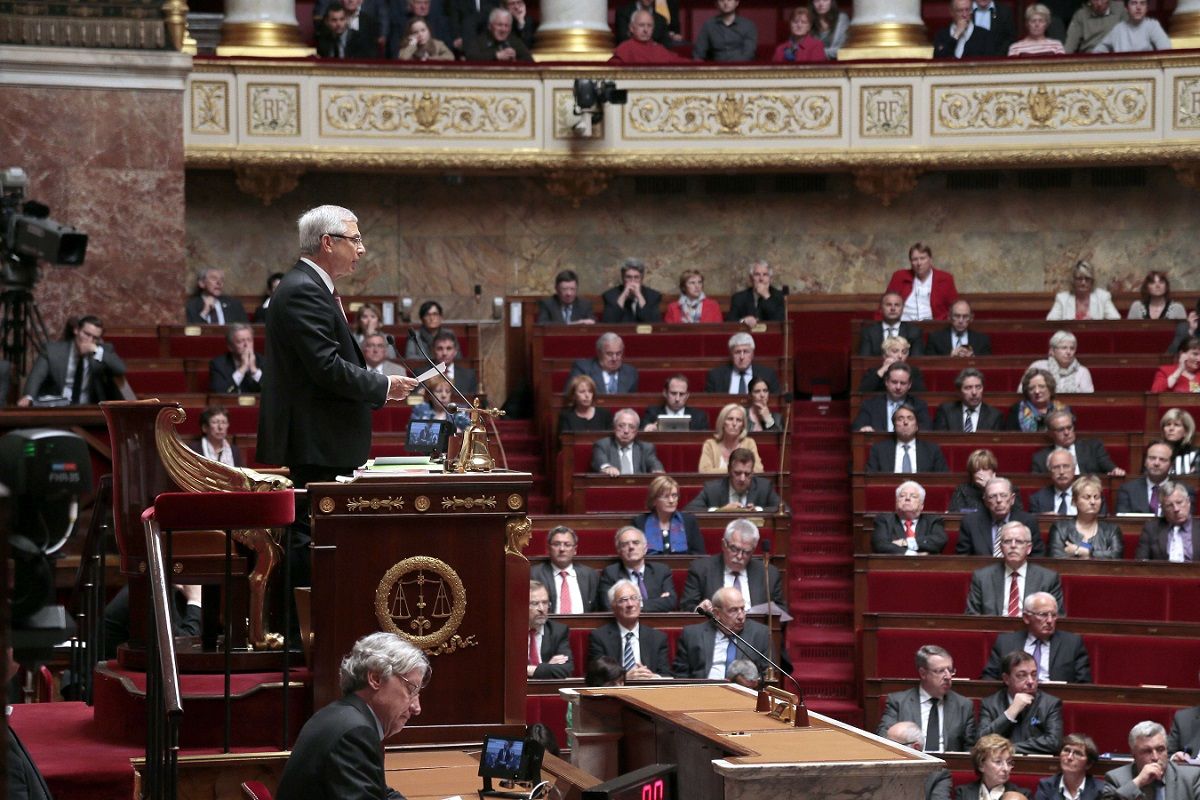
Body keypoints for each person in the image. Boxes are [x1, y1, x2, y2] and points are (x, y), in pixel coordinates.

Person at [256, 205, 418, 597]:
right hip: (317, 440)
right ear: (328, 243)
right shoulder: (303, 291)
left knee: (320, 534)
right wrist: (382, 386)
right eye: (355, 239)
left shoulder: (312, 288)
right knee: (311, 537)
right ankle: (304, 634)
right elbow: (326, 367)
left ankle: (314, 630)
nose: (361, 249)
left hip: (324, 438)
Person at [276, 631, 428, 800]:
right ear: (376, 678)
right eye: (411, 690)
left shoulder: (337, 715)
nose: (417, 708)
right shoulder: (354, 733)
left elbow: (379, 792)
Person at [876, 644, 977, 752]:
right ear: (923, 673)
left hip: (950, 766)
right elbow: (884, 738)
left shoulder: (963, 705)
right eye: (940, 671)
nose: (948, 676)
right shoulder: (898, 702)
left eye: (950, 670)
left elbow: (970, 750)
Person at [981, 593, 1092, 683]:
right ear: (1026, 618)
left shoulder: (1072, 644)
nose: (1049, 621)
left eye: (1053, 615)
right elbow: (989, 679)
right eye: (1043, 614)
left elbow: (1084, 685)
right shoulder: (1005, 643)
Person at [18, 315, 126, 406]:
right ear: (76, 330)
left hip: (87, 407)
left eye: (95, 338)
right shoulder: (52, 350)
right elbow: (37, 376)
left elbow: (120, 369)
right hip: (58, 406)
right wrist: (29, 396)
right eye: (87, 334)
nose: (90, 340)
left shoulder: (102, 351)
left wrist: (96, 350)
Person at [679, 517, 783, 611]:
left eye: (746, 552)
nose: (739, 556)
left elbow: (781, 611)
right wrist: (699, 609)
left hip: (755, 630)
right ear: (723, 545)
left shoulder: (768, 573)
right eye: (734, 549)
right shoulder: (701, 569)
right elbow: (686, 607)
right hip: (715, 629)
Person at [965, 521, 1063, 615]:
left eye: (1019, 541)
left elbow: (1056, 617)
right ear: (1001, 547)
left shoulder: (1048, 579)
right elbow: (972, 616)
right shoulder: (982, 578)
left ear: (1028, 548)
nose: (1013, 546)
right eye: (1007, 541)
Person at [671, 586, 770, 678]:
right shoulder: (692, 635)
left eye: (742, 609)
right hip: (703, 692)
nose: (741, 616)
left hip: (744, 694)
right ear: (716, 613)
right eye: (733, 610)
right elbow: (680, 676)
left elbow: (768, 675)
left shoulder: (760, 634)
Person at [978, 650, 1064, 755]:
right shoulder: (990, 704)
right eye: (1021, 675)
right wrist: (1010, 713)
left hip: (1034, 767)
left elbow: (1054, 742)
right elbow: (981, 741)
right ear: (1006, 679)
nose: (1031, 681)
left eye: (1034, 674)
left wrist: (1008, 748)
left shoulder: (1050, 704)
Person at [588, 579, 671, 678]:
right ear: (613, 607)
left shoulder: (657, 638)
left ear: (640, 603)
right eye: (623, 600)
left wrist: (652, 677)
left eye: (634, 598)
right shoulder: (600, 637)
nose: (630, 604)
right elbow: (597, 676)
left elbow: (666, 675)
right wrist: (624, 678)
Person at [1103, 721, 1200, 799]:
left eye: (1160, 749)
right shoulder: (1116, 778)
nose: (1155, 757)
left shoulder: (1191, 778)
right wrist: (1138, 782)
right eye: (1147, 751)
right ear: (1133, 754)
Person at [597, 526, 678, 612]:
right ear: (619, 551)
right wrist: (658, 602)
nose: (631, 547)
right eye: (625, 544)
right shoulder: (610, 573)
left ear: (645, 548)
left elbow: (670, 602)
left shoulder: (661, 571)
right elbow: (609, 606)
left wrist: (634, 604)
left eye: (636, 543)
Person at [957, 477, 1042, 556]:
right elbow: (963, 560)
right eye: (992, 496)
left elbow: (1037, 557)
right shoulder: (971, 522)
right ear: (985, 501)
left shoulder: (1028, 522)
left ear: (1012, 499)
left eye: (1003, 495)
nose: (998, 500)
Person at [1031, 409, 1124, 476]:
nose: (1067, 433)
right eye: (1060, 430)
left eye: (1069, 427)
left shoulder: (1093, 448)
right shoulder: (1040, 458)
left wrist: (1115, 471)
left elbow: (1110, 468)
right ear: (1050, 433)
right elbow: (1036, 486)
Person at [1049, 475, 1123, 559]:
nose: (1092, 502)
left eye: (1096, 497)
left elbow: (1115, 557)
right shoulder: (1059, 528)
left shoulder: (1112, 530)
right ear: (1074, 501)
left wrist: (1083, 552)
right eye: (1087, 497)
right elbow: (1056, 559)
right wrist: (1102, 554)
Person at [686, 448, 781, 512]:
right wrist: (721, 510)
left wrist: (758, 510)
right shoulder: (712, 489)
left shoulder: (764, 487)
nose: (742, 479)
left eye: (747, 474)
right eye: (737, 473)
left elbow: (784, 510)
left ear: (752, 472)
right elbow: (689, 510)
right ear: (729, 470)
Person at [532, 525, 600, 614]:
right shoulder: (535, 574)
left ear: (575, 550)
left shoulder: (590, 575)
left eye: (567, 545)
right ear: (548, 548)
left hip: (583, 626)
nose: (562, 549)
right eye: (556, 544)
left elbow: (597, 609)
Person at [865, 404, 949, 475]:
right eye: (900, 419)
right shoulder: (879, 449)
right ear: (894, 426)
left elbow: (943, 479)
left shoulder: (932, 450)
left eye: (910, 418)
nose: (905, 422)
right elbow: (871, 479)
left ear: (916, 426)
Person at [632, 475, 706, 555]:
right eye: (666, 496)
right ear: (654, 500)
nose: (671, 501)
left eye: (674, 496)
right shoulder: (640, 522)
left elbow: (698, 555)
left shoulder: (688, 521)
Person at [886, 243, 959, 322]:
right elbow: (885, 304)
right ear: (911, 262)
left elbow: (955, 308)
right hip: (904, 326)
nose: (919, 263)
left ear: (930, 260)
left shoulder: (945, 279)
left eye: (922, 258)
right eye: (915, 259)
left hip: (934, 326)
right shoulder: (899, 277)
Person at [871, 480, 947, 555]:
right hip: (893, 565)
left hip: (926, 566)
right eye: (902, 496)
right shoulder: (884, 520)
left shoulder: (933, 520)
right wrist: (911, 553)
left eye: (913, 496)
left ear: (921, 505)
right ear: (896, 502)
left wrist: (905, 542)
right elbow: (880, 545)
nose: (907, 498)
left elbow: (938, 542)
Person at [853, 363, 932, 432]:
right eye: (894, 382)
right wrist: (864, 429)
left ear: (909, 385)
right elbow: (858, 427)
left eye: (903, 383)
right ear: (886, 382)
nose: (898, 387)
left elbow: (926, 430)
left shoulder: (919, 405)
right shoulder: (870, 405)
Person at [885, 721, 953, 799]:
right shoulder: (880, 771)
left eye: (894, 745)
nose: (888, 750)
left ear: (916, 748)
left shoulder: (937, 776)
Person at [949, 449, 1025, 514]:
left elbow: (1017, 513)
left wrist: (988, 487)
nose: (981, 473)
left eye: (985, 469)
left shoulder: (1009, 488)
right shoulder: (962, 490)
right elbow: (955, 514)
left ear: (993, 472)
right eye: (977, 470)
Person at [1135, 481, 1197, 562]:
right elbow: (1141, 562)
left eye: (1179, 502)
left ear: (1188, 502)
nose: (1176, 509)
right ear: (1163, 509)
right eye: (1169, 505)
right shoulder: (1151, 529)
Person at [590, 409, 665, 475]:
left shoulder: (646, 447)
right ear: (614, 427)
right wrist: (607, 468)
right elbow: (600, 461)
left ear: (636, 431)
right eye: (621, 426)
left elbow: (654, 463)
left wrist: (657, 470)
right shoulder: (603, 445)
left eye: (631, 427)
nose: (626, 431)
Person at [955, 735, 1030, 799]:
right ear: (981, 765)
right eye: (998, 762)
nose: (1006, 768)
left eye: (1009, 762)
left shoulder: (1022, 795)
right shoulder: (963, 793)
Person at [705, 331, 781, 395]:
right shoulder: (716, 376)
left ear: (752, 354)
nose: (742, 357)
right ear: (731, 354)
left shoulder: (767, 375)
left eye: (746, 352)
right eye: (737, 352)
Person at [934, 368, 1005, 433]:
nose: (974, 392)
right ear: (959, 391)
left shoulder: (995, 416)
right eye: (968, 388)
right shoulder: (946, 412)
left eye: (978, 387)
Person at [1117, 441, 1179, 515]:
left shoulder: (1184, 490)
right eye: (1152, 458)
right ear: (1145, 462)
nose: (1156, 463)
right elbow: (1123, 523)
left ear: (1171, 465)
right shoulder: (1127, 490)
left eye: (1162, 459)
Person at [1033, 734, 1102, 800]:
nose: (1069, 757)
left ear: (1088, 764)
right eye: (1066, 750)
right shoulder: (1046, 786)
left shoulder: (1100, 790)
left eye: (1077, 753)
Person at [527, 581, 574, 678]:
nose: (541, 609)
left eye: (545, 603)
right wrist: (548, 667)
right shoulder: (509, 632)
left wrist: (530, 669)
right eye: (534, 603)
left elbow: (566, 669)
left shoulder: (558, 631)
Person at [1023, 330, 1094, 394]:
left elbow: (1089, 400)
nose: (1068, 352)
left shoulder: (1082, 372)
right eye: (1064, 348)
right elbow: (1022, 392)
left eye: (1072, 348)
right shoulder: (1038, 367)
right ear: (1052, 351)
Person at [700, 403, 763, 474]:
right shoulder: (710, 444)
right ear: (722, 422)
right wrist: (737, 470)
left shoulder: (749, 443)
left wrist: (720, 471)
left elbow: (758, 470)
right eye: (730, 419)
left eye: (739, 420)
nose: (734, 423)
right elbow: (704, 471)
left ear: (743, 426)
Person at [1046, 260, 1120, 321]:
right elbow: (1051, 321)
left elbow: (1116, 320)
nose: (1083, 282)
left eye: (1087, 279)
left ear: (1092, 281)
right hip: (1069, 337)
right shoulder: (1062, 298)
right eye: (1079, 278)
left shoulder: (1103, 296)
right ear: (1073, 280)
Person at [609, 12, 693, 64]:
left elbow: (678, 61)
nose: (646, 30)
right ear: (632, 28)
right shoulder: (624, 48)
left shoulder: (659, 49)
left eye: (649, 26)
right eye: (641, 25)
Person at [570, 332, 639, 395]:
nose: (614, 359)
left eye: (618, 353)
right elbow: (571, 398)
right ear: (599, 353)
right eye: (609, 354)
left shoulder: (630, 373)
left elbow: (632, 402)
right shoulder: (583, 369)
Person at [862, 292, 924, 357]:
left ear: (903, 309)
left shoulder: (914, 332)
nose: (893, 308)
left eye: (897, 305)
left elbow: (916, 361)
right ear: (881, 308)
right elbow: (865, 361)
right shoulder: (869, 332)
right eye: (888, 305)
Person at [1007, 368, 1069, 433]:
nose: (1037, 391)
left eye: (1041, 386)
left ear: (1050, 388)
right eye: (1031, 388)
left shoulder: (1063, 410)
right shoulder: (1016, 411)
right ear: (1027, 392)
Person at [601, 258, 662, 323]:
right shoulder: (610, 295)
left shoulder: (653, 296)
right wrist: (623, 296)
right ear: (623, 278)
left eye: (636, 277)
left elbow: (654, 322)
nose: (632, 281)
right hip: (621, 332)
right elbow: (609, 322)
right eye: (628, 277)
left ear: (641, 278)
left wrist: (639, 295)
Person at [934, 0, 1000, 60]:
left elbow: (989, 63)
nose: (964, 15)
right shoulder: (941, 35)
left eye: (967, 10)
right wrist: (956, 35)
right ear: (951, 12)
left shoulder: (985, 35)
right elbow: (939, 59)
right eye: (960, 10)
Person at [693, 0, 757, 61]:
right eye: (721, 0)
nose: (725, 3)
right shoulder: (709, 25)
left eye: (729, 0)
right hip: (716, 69)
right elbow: (699, 53)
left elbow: (749, 54)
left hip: (741, 68)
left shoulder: (748, 25)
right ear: (717, 4)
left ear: (737, 3)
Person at [1093, 0, 1170, 52]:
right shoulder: (1119, 29)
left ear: (1147, 8)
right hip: (1122, 71)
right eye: (1134, 3)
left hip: (1147, 71)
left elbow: (1166, 50)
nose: (1138, 7)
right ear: (1126, 8)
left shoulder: (1153, 25)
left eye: (1142, 3)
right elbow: (1099, 48)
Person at [924, 299, 992, 357]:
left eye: (965, 316)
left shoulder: (982, 340)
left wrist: (973, 359)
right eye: (956, 316)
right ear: (949, 317)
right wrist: (949, 357)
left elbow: (987, 366)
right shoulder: (936, 339)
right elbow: (930, 366)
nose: (961, 321)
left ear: (971, 318)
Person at [859, 335, 925, 394]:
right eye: (895, 351)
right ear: (885, 354)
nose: (900, 356)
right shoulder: (875, 371)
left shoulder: (913, 371)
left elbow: (921, 395)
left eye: (904, 352)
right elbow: (862, 392)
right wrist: (882, 370)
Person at [209, 323, 263, 394]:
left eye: (249, 340)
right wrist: (242, 369)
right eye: (240, 341)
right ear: (230, 347)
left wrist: (254, 371)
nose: (246, 345)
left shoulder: (263, 361)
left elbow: (273, 392)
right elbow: (219, 393)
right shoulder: (218, 365)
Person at [728, 259, 786, 325]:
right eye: (757, 274)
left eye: (765, 274)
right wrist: (743, 320)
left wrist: (766, 296)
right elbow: (730, 321)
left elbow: (780, 321)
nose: (761, 279)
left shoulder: (779, 296)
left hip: (770, 334)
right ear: (751, 278)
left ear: (770, 279)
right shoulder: (738, 298)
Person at [642, 374, 709, 432]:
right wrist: (647, 431)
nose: (677, 399)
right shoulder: (651, 414)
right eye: (673, 393)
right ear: (665, 393)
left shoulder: (699, 417)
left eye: (682, 394)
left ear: (687, 395)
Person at [1027, 449, 1082, 516]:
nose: (1061, 472)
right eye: (1056, 467)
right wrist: (1043, 519)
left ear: (1074, 469)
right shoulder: (1037, 499)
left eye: (1066, 466)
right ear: (1050, 471)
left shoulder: (1087, 495)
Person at [464, 8, 533, 60]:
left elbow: (530, 61)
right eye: (499, 25)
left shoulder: (514, 41)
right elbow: (470, 57)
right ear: (490, 26)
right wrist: (496, 56)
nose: (503, 29)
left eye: (506, 26)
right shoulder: (479, 41)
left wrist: (515, 59)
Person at [430, 329, 477, 394]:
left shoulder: (468, 376)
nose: (444, 353)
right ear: (433, 351)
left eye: (449, 348)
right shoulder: (421, 374)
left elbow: (474, 402)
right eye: (440, 348)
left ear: (455, 351)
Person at [614, 0, 679, 45]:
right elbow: (622, 38)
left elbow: (665, 46)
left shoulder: (661, 20)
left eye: (649, 25)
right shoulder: (623, 13)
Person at [1161, 408, 1199, 476]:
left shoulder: (1196, 454)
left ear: (1186, 431)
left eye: (1176, 425)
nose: (1171, 428)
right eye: (1168, 424)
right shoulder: (1155, 452)